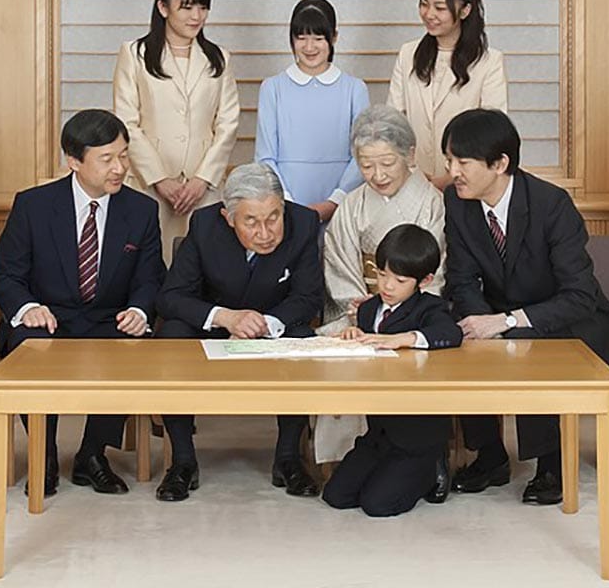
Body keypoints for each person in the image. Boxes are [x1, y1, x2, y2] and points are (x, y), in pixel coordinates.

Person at [442, 108, 609, 506]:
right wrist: (479, 323)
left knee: (528, 346)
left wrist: (506, 322)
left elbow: (578, 295)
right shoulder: (458, 203)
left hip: (576, 322)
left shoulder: (551, 204)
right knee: (464, 338)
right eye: (449, 160)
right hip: (501, 315)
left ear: (500, 163)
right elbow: (460, 277)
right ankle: (490, 456)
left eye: (462, 162)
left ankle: (551, 464)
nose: (452, 170)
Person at [0, 109, 167, 497]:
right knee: (26, 345)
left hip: (108, 318)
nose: (119, 167)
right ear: (74, 161)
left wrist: (139, 310)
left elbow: (152, 277)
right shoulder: (33, 205)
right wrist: (27, 307)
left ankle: (92, 455)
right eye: (107, 159)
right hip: (48, 317)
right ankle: (45, 452)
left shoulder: (141, 210)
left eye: (123, 155)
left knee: (135, 349)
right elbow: (5, 276)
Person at [154, 163, 324, 502]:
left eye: (274, 217)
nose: (266, 232)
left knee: (304, 337)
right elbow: (171, 297)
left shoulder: (303, 223)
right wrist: (226, 318)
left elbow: (308, 297)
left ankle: (288, 458)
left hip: (274, 326)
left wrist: (264, 324)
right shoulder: (204, 225)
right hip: (218, 328)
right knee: (171, 335)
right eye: (251, 222)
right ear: (228, 217)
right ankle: (183, 461)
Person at [314, 104, 447, 463]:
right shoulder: (352, 206)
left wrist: (398, 310)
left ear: (410, 155)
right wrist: (361, 308)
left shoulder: (432, 203)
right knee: (340, 351)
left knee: (414, 352)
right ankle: (343, 458)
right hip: (359, 310)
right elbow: (339, 263)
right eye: (366, 165)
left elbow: (433, 270)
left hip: (414, 312)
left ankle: (423, 458)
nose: (377, 174)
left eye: (387, 163)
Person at [322, 225, 462, 517]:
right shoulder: (367, 308)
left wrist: (404, 338)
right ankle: (387, 468)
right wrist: (353, 336)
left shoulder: (430, 309)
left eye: (399, 280)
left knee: (377, 505)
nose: (386, 286)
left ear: (424, 280)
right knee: (337, 495)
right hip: (379, 431)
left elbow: (450, 333)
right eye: (382, 275)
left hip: (417, 435)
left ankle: (433, 464)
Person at [114, 0, 240, 261]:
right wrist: (159, 179)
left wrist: (202, 179)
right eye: (186, 7)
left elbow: (228, 123)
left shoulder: (219, 58)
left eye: (203, 7)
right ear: (162, 7)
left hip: (203, 188)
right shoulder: (134, 54)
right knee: (148, 265)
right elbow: (126, 122)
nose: (196, 16)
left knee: (202, 266)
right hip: (149, 186)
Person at [388, 0, 507, 190]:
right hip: (413, 182)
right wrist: (412, 172)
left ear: (465, 10)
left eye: (440, 7)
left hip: (467, 186)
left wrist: (450, 177)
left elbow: (491, 133)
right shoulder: (408, 54)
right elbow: (394, 122)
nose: (429, 14)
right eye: (424, 4)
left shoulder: (489, 62)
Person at [255, 0, 369, 223]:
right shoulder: (272, 88)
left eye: (318, 38)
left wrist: (335, 201)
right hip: (285, 207)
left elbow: (362, 155)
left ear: (334, 37)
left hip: (344, 205)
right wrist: (287, 202)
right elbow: (265, 157)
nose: (309, 47)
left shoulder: (355, 89)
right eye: (301, 38)